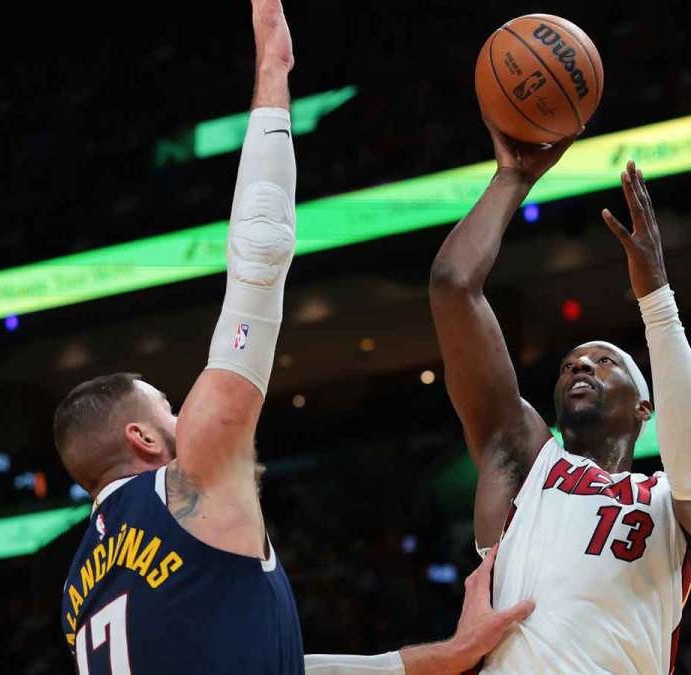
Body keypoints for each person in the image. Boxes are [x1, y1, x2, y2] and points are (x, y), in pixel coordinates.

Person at [55, 3, 532, 673]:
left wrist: (440, 657)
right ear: (142, 437)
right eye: (167, 406)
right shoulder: (187, 480)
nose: (182, 413)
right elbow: (260, 257)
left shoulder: (78, 595)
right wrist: (273, 72)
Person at [428, 119, 691, 673]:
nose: (581, 365)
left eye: (605, 361)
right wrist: (511, 179)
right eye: (570, 363)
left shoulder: (672, 500)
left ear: (644, 408)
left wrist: (657, 301)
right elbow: (453, 286)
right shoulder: (524, 462)